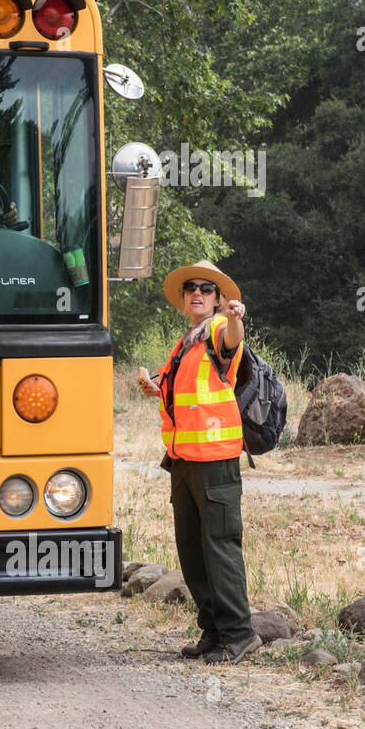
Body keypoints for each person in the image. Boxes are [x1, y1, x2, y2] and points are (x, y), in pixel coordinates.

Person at [137, 260, 261, 664]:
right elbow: (184, 394)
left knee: (220, 547)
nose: (197, 293)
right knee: (192, 550)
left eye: (206, 289)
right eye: (191, 287)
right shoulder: (186, 341)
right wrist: (154, 387)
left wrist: (235, 317)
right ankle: (214, 630)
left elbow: (232, 341)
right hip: (183, 461)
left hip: (214, 461)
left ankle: (240, 634)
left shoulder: (218, 330)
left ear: (219, 300)